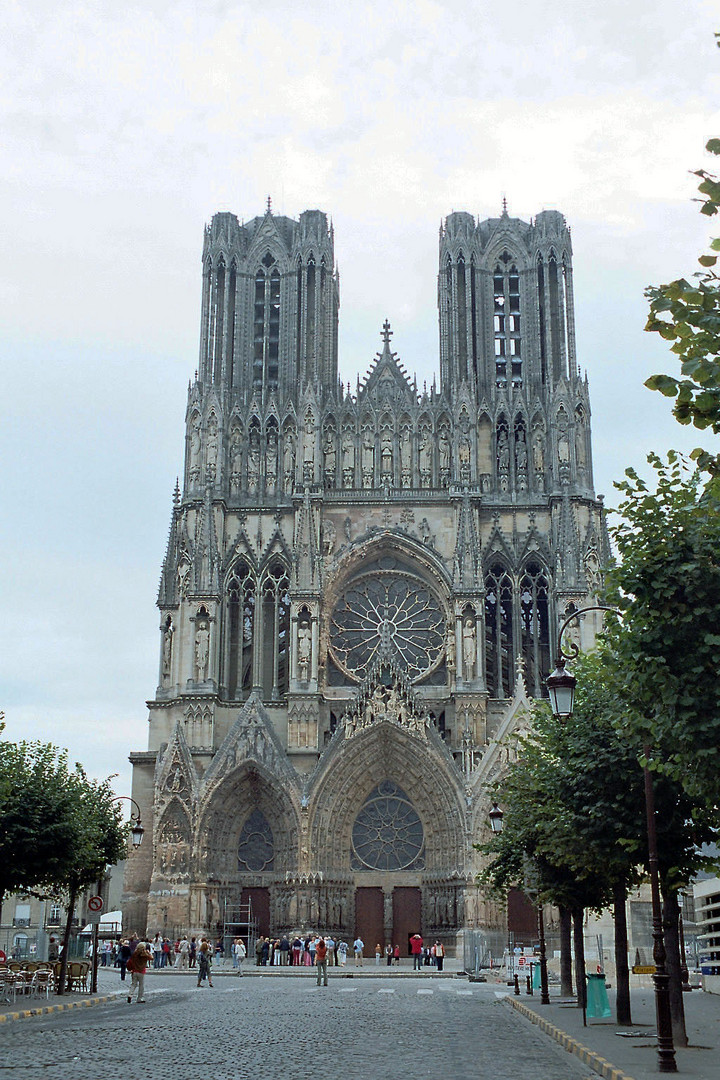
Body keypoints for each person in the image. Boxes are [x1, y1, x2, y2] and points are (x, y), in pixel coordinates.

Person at [126, 939, 152, 1004]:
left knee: (133, 984)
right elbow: (152, 958)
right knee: (141, 985)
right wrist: (148, 952)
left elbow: (131, 961)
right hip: (141, 971)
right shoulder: (145, 954)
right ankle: (139, 998)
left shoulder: (134, 953)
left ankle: (130, 994)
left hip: (134, 971)